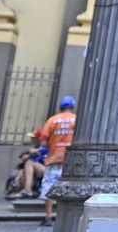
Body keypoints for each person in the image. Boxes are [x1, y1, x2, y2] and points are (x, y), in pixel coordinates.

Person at [39, 96, 76, 227]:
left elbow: (43, 141)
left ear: (60, 107)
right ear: (72, 107)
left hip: (54, 158)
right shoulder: (77, 120)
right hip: (72, 160)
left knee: (49, 187)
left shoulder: (52, 120)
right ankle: (67, 215)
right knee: (70, 188)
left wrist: (54, 146)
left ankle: (48, 216)